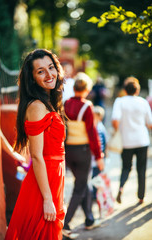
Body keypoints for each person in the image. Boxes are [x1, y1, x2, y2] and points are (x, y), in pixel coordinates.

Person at [5, 49, 65, 240]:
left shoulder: (48, 101)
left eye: (51, 67)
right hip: (44, 179)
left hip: (53, 175)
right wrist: (47, 198)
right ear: (32, 78)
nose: (49, 75)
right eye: (40, 71)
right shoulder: (37, 106)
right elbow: (37, 155)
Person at [63, 72, 104, 238]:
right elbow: (92, 132)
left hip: (68, 151)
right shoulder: (87, 106)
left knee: (83, 182)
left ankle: (89, 219)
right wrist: (99, 155)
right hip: (83, 151)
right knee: (80, 187)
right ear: (86, 90)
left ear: (73, 88)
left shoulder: (65, 103)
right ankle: (65, 224)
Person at [112, 77, 152, 204]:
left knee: (126, 167)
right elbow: (150, 123)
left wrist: (119, 130)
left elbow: (115, 120)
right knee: (141, 169)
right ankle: (141, 196)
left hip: (126, 141)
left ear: (125, 90)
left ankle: (121, 187)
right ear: (137, 90)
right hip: (142, 140)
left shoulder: (120, 101)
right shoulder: (143, 102)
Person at [91, 106, 107, 200]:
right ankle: (94, 194)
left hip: (98, 156)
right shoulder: (100, 126)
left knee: (96, 176)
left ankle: (94, 194)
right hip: (97, 156)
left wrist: (101, 155)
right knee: (95, 175)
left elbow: (102, 143)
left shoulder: (99, 128)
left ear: (100, 117)